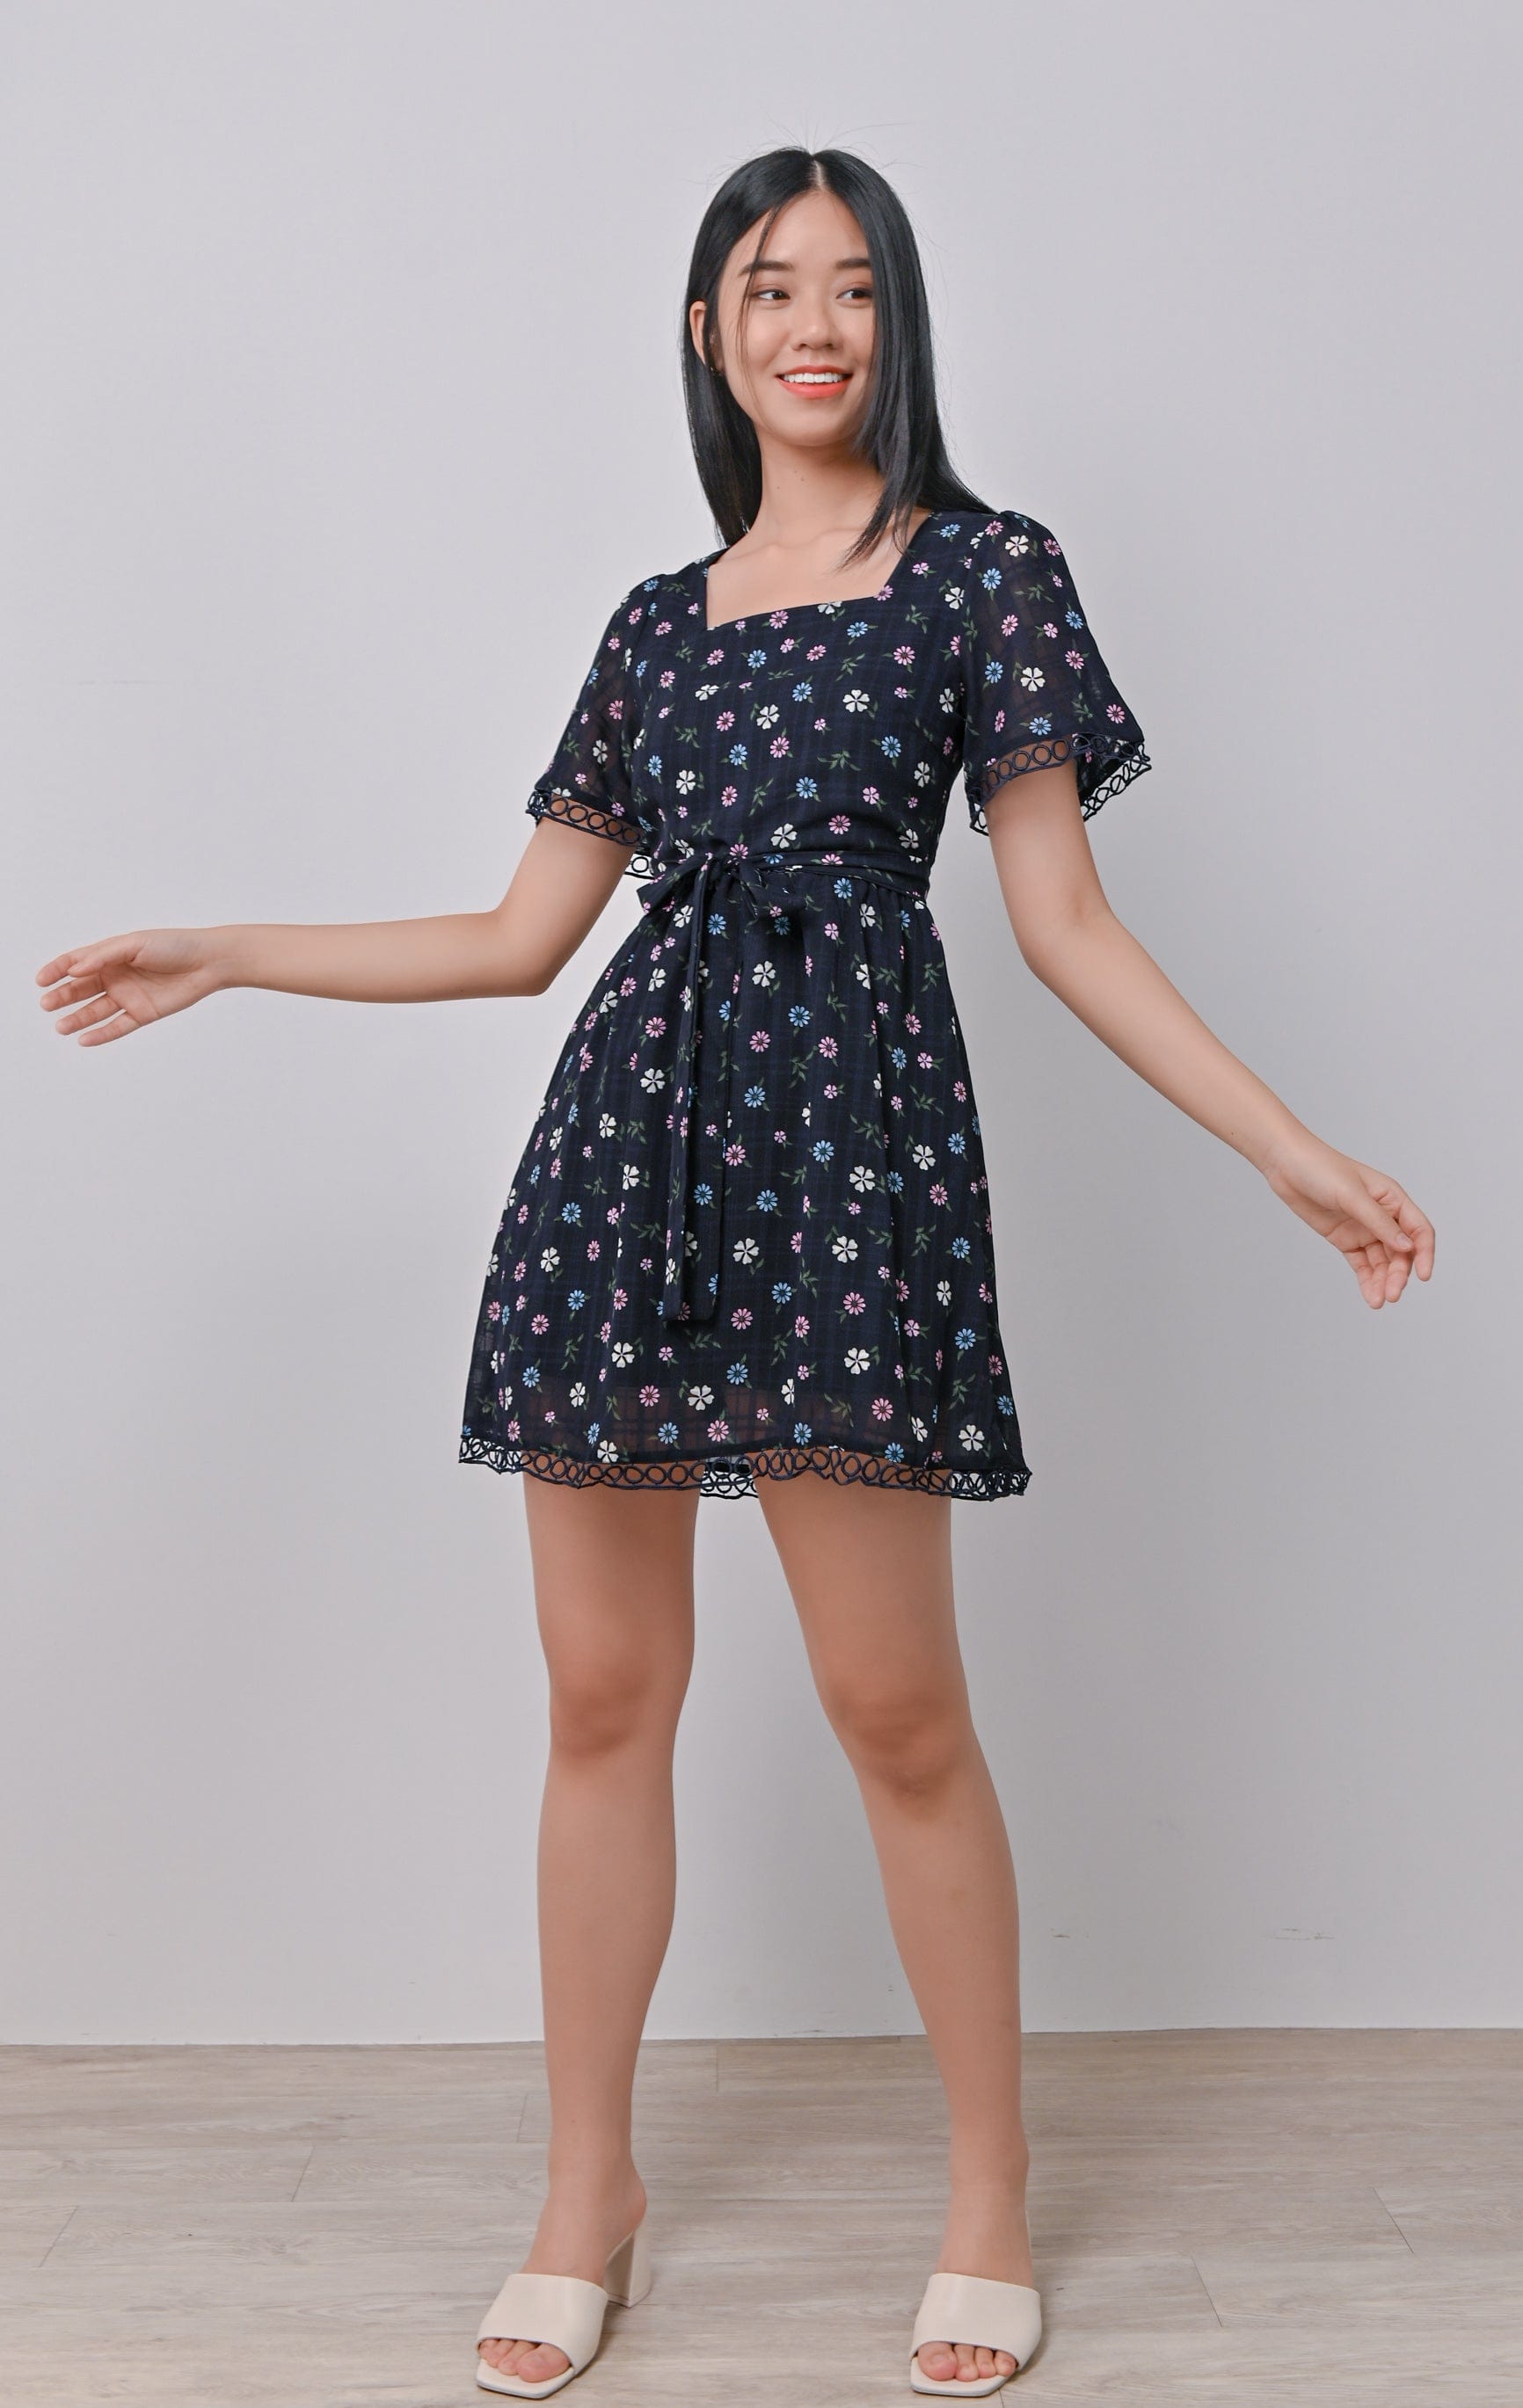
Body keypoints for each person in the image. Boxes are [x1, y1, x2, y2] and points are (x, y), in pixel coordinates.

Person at [35, 148, 1433, 2402]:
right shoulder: (652, 623)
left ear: (897, 322)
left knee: (897, 1707)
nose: (815, 325)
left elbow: (1065, 921)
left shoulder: (980, 570)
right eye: (772, 288)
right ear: (708, 327)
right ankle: (585, 2189)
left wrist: (1292, 1150)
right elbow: (517, 938)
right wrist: (227, 948)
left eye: (854, 288)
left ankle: (988, 2192)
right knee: (602, 1698)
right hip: (627, 1165)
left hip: (851, 1176)